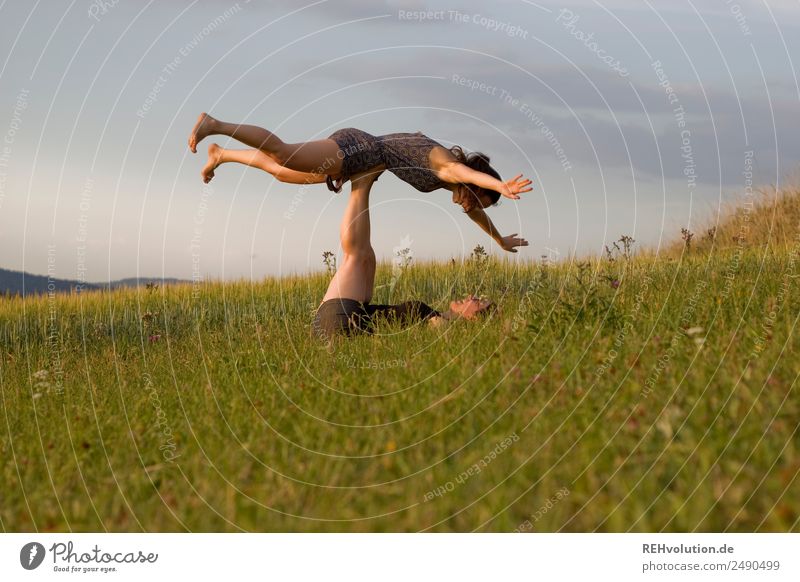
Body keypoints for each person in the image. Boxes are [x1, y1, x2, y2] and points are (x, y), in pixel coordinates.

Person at [188, 112, 530, 253]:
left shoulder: (450, 185)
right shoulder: (448, 168)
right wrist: (501, 187)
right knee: (283, 154)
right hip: (359, 148)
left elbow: (474, 213)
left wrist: (498, 239)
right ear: (472, 188)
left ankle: (221, 154)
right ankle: (214, 124)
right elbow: (468, 176)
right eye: (476, 199)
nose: (469, 207)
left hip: (361, 161)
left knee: (280, 172)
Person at [312, 168, 495, 342]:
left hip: (342, 323)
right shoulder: (438, 317)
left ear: (474, 319)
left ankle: (362, 181)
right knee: (366, 259)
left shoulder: (442, 326)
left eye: (479, 303)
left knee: (358, 257)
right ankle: (363, 180)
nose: (472, 296)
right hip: (339, 322)